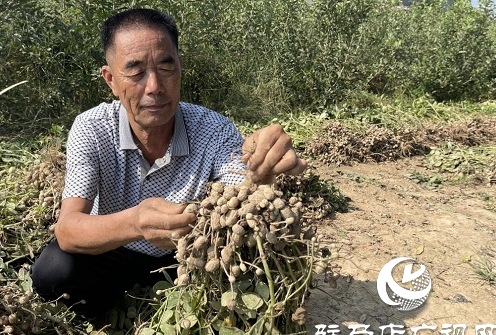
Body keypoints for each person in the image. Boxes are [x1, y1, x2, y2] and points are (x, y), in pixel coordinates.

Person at [30, 8, 308, 317]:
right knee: (52, 272)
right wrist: (137, 223)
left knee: (254, 277)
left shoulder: (214, 129)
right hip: (113, 247)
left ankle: (180, 307)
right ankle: (114, 308)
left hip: (186, 257)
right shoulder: (93, 128)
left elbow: (242, 194)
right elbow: (68, 229)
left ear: (180, 68)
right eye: (135, 71)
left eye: (166, 66)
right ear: (110, 79)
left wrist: (263, 171)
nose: (154, 87)